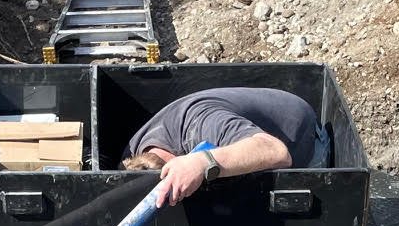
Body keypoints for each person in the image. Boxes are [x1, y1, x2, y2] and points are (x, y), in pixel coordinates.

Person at [122, 85, 331, 207]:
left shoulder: (201, 125)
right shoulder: (134, 155)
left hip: (300, 138)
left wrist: (201, 162)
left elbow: (276, 151)